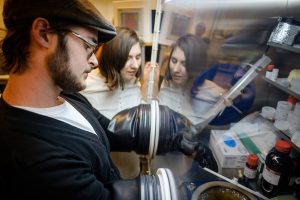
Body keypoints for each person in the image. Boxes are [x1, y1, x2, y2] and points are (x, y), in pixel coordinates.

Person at [0, 1, 218, 199]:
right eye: (88, 45)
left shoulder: (66, 94)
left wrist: (176, 138)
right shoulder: (32, 157)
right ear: (44, 33)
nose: (95, 60)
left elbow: (109, 130)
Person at [80, 27, 159, 179]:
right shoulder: (86, 86)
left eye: (137, 57)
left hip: (132, 173)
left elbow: (143, 120)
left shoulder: (134, 84)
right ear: (113, 57)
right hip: (102, 178)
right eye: (128, 58)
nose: (135, 65)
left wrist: (150, 85)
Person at [158, 34, 226, 125]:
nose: (175, 69)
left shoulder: (212, 93)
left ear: (195, 65)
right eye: (174, 61)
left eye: (184, 64)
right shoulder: (166, 83)